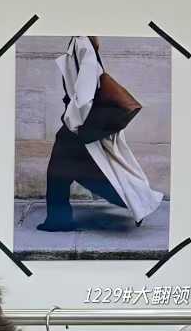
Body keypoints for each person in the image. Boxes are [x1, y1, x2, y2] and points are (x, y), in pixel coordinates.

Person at [38, 35, 163, 232]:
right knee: (72, 172)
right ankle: (59, 219)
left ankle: (138, 201)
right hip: (80, 122)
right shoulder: (82, 42)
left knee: (65, 172)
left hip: (78, 123)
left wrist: (72, 123)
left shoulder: (82, 43)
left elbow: (86, 94)